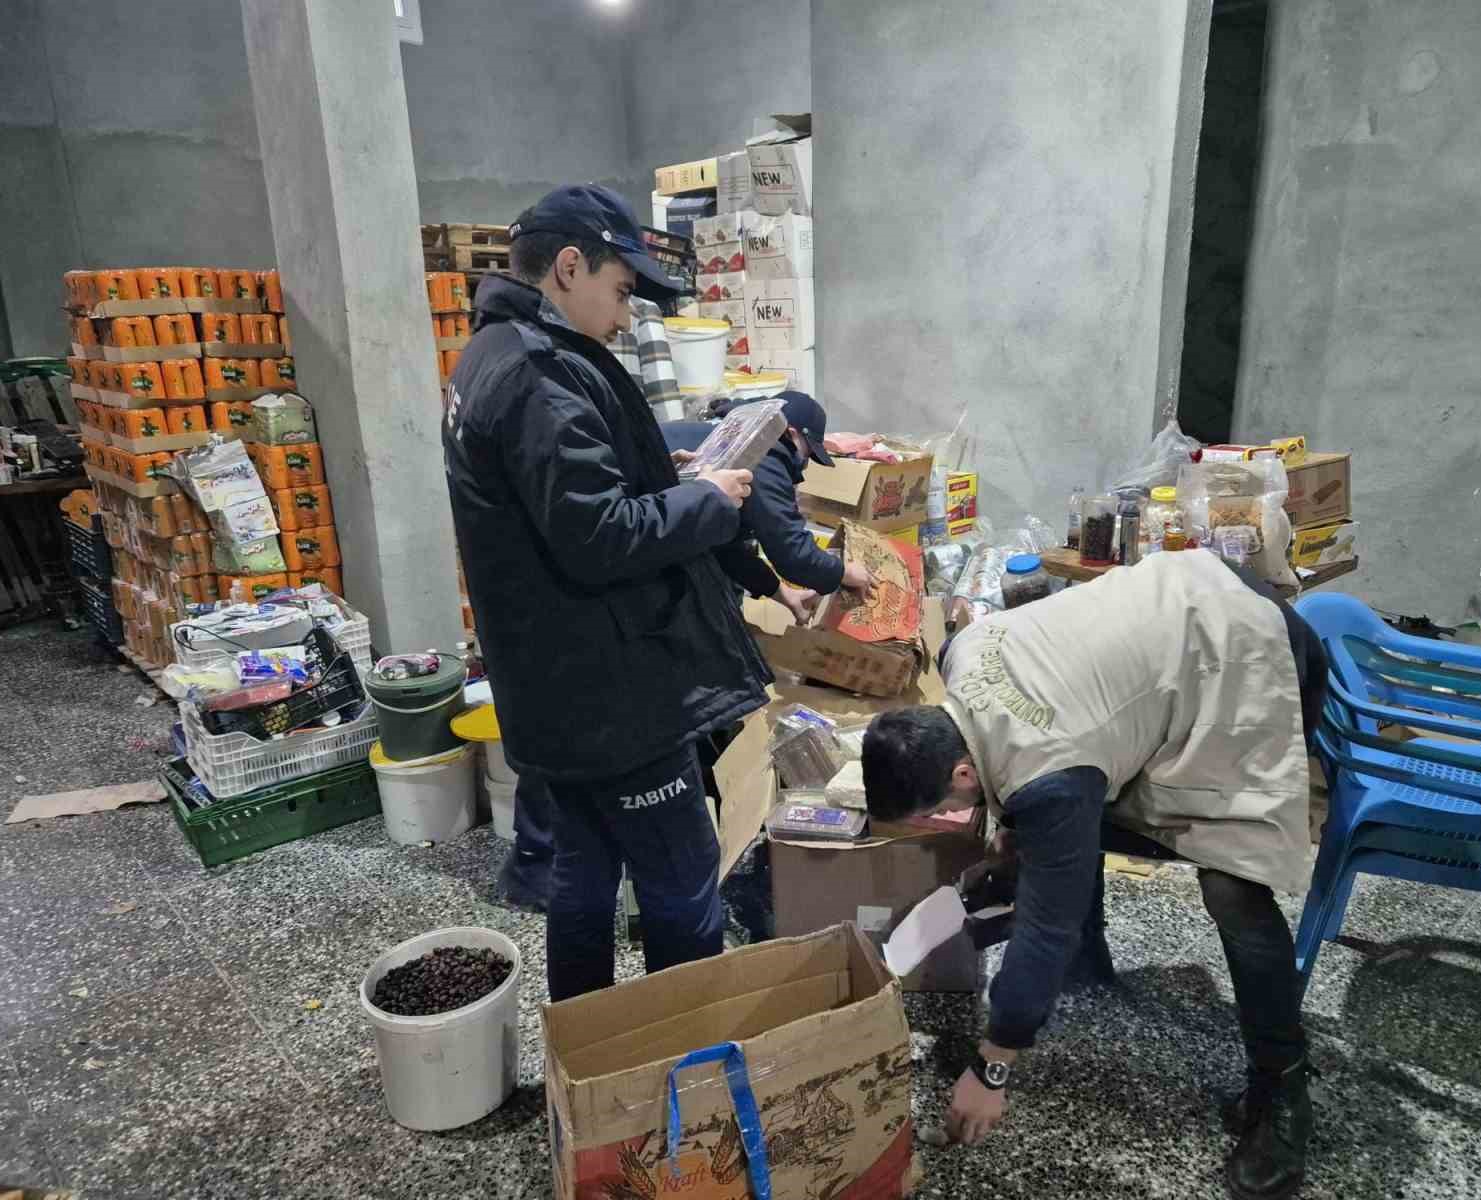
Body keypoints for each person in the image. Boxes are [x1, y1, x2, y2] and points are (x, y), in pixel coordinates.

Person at [861, 550, 1328, 1200]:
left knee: (1233, 887)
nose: (951, 816)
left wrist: (993, 1066)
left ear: (961, 774)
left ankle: (1284, 1087)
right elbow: (1028, 764)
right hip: (1188, 594)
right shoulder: (962, 652)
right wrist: (1013, 846)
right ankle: (1092, 957)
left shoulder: (1046, 776)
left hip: (1248, 653)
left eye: (943, 807)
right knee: (1064, 832)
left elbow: (1043, 925)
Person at [441, 183, 772, 1001]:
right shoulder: (537, 371)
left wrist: (668, 475)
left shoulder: (493, 353)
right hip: (613, 692)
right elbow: (599, 535)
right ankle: (687, 1068)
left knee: (584, 873)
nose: (625, 316)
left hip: (554, 687)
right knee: (682, 880)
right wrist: (709, 499)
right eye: (620, 290)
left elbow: (565, 499)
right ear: (566, 266)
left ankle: (587, 1049)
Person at [662, 392, 874, 622]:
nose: (803, 465)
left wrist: (781, 593)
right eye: (808, 452)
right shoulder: (764, 449)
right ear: (791, 434)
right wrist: (844, 572)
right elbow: (791, 550)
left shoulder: (730, 436)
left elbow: (722, 547)